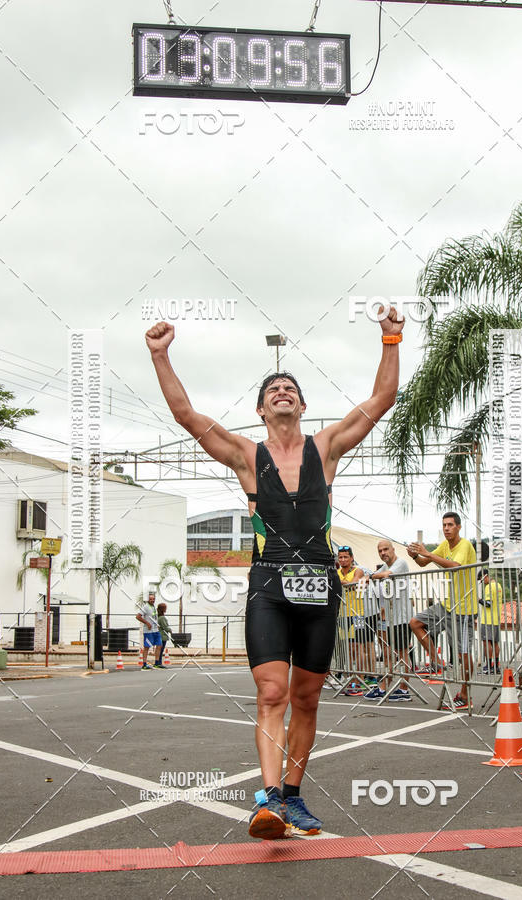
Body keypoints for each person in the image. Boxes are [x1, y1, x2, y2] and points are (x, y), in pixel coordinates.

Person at [145, 307, 404, 839]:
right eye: (273, 390)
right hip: (268, 586)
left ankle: (293, 795)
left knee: (307, 698)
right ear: (261, 409)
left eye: (290, 388)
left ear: (301, 405)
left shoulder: (326, 447)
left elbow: (381, 400)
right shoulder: (246, 455)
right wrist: (160, 354)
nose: (282, 392)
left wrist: (390, 339)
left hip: (320, 586)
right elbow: (187, 416)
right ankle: (268, 801)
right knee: (271, 694)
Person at [407, 513, 477, 710]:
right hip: (447, 605)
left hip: (464, 610)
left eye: (450, 525)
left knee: (463, 654)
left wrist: (428, 553)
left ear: (458, 527)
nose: (446, 528)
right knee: (415, 623)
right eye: (444, 525)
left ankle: (465, 695)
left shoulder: (464, 545)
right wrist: (415, 555)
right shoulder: (444, 545)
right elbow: (423, 563)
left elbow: (455, 566)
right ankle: (438, 662)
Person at [364, 540, 412, 702]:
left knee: (402, 653)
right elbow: (377, 575)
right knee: (389, 654)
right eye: (380, 551)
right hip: (392, 618)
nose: (383, 553)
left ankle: (404, 689)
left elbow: (385, 575)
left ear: (393, 549)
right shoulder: (385, 566)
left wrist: (370, 576)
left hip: (402, 616)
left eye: (386, 549)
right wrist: (368, 577)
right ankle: (383, 687)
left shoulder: (400, 563)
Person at [336, 546, 367, 691]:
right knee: (346, 649)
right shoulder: (336, 572)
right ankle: (349, 677)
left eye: (345, 557)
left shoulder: (357, 570)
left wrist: (339, 582)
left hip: (357, 613)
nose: (343, 560)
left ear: (352, 558)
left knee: (358, 646)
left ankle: (359, 678)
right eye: (340, 557)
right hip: (342, 614)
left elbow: (352, 583)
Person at [478, 572, 503, 675]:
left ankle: (488, 667)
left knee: (486, 642)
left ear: (485, 576)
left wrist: (479, 600)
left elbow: (488, 604)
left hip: (487, 619)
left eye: (482, 579)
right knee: (495, 643)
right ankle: (496, 667)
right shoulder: (498, 585)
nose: (483, 582)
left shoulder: (489, 587)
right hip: (496, 619)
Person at [136, 591, 162, 670]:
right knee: (147, 647)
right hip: (148, 631)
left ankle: (157, 663)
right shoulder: (145, 607)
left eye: (153, 599)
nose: (152, 600)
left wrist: (157, 625)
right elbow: (138, 616)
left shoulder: (153, 607)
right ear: (148, 600)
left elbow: (154, 617)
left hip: (155, 630)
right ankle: (144, 664)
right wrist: (147, 623)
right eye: (151, 599)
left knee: (159, 645)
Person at [156, 602, 172, 668]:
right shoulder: (162, 618)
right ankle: (159, 662)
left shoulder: (158, 617)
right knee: (161, 650)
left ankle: (158, 662)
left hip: (159, 634)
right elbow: (165, 627)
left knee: (159, 649)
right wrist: (170, 630)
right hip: (162, 635)